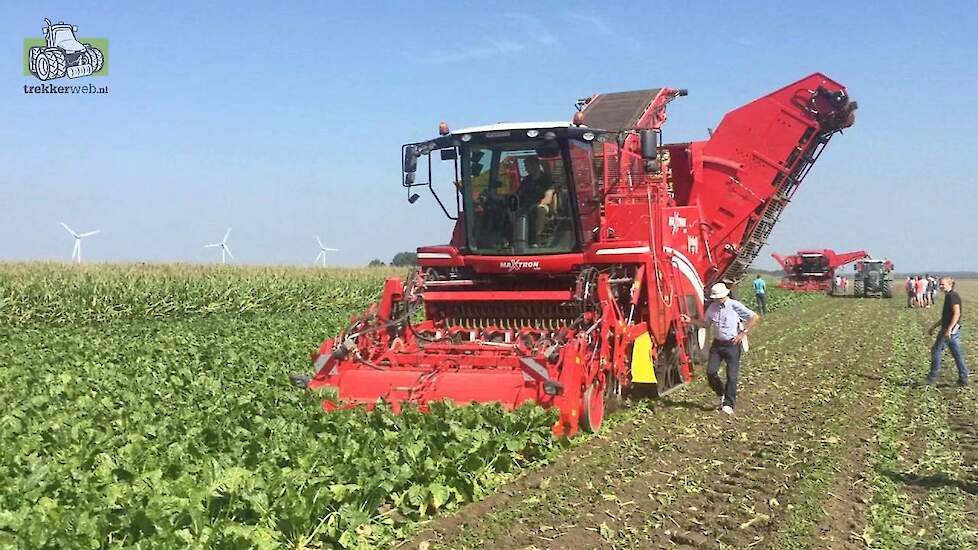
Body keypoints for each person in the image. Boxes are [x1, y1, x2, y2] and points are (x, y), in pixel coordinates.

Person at [681, 283, 760, 415]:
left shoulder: (734, 306)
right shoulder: (712, 307)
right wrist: (690, 320)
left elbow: (754, 317)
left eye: (719, 297)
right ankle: (721, 393)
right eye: (715, 298)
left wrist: (743, 333)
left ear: (725, 295)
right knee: (711, 372)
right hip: (717, 345)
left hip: (732, 345)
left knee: (732, 376)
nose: (716, 300)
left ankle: (729, 404)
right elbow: (706, 324)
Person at [926, 276, 969, 386]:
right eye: (940, 284)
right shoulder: (949, 296)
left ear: (950, 284)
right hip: (950, 329)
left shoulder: (952, 296)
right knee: (956, 353)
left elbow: (957, 313)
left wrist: (949, 329)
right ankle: (964, 378)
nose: (940, 286)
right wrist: (934, 327)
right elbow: (946, 317)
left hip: (949, 330)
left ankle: (932, 378)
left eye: (942, 284)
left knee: (936, 351)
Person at [517, 156, 555, 246]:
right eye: (525, 166)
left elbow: (548, 198)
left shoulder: (546, 179)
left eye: (527, 165)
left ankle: (536, 239)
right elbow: (518, 194)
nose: (525, 168)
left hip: (542, 205)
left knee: (539, 209)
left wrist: (534, 205)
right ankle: (513, 240)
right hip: (525, 206)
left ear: (536, 165)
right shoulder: (526, 180)